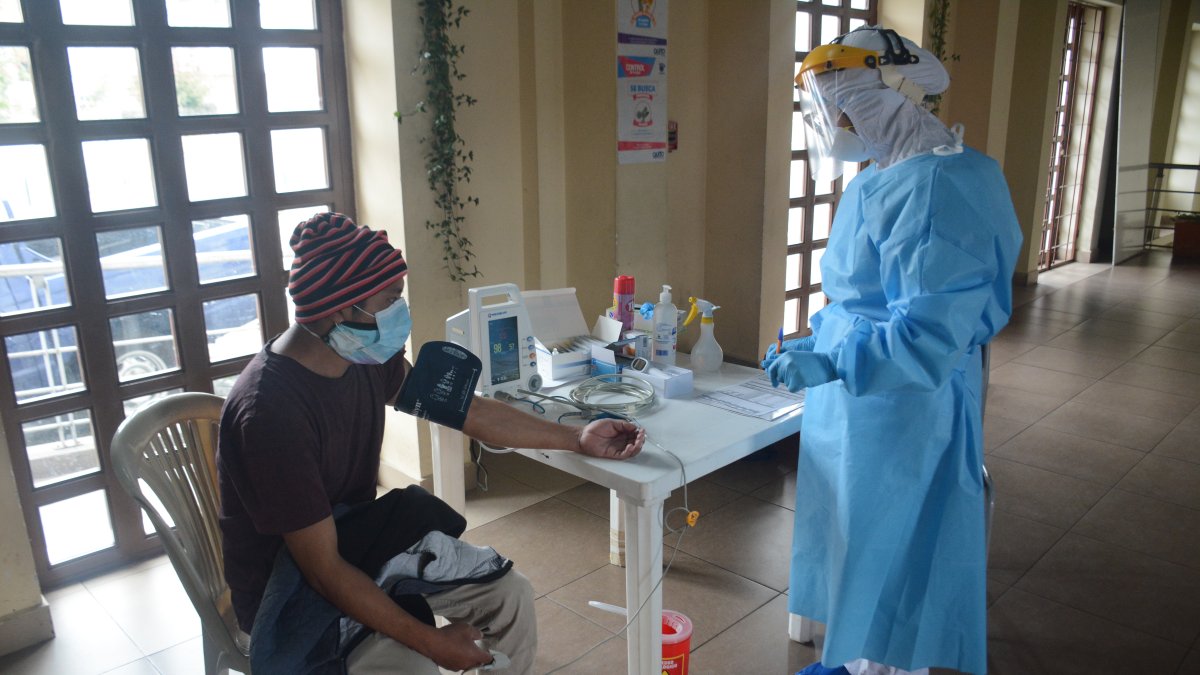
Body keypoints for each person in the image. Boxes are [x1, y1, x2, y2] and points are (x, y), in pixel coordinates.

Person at [217, 212, 645, 674]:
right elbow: (321, 571)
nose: (401, 313)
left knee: (511, 594)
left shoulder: (359, 357)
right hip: (288, 592)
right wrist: (431, 642)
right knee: (415, 665)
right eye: (391, 300)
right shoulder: (271, 414)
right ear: (341, 309)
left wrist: (575, 438)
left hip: (358, 544)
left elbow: (468, 410)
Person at [762, 27, 1022, 675]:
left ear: (882, 94)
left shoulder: (942, 188)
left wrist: (831, 360)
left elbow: (929, 332)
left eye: (839, 106)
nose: (837, 124)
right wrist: (817, 336)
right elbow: (860, 295)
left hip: (905, 408)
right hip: (858, 402)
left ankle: (884, 667)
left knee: (898, 545)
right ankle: (856, 659)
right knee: (858, 536)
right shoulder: (883, 177)